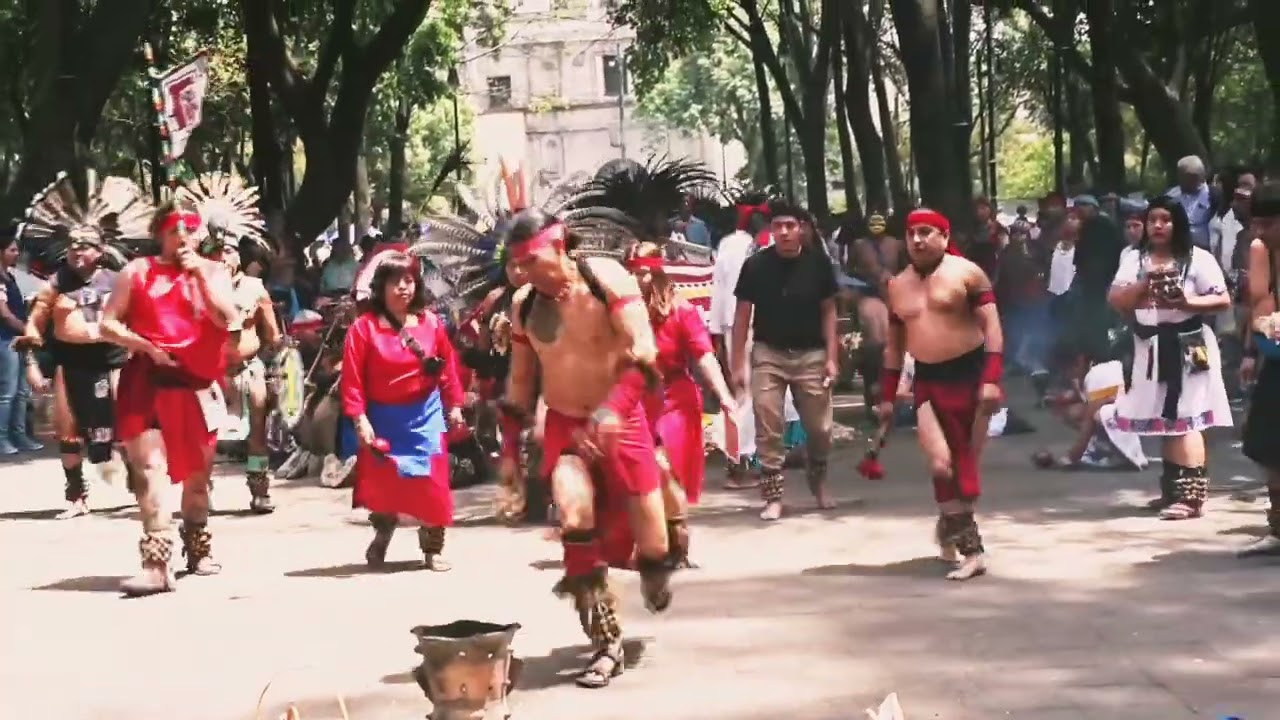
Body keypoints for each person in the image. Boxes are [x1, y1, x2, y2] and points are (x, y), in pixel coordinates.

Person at [498, 206, 677, 688]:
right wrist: (510, 456)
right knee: (574, 518)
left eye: (531, 260)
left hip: (624, 418)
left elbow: (645, 352)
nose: (522, 272)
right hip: (565, 427)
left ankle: (659, 565)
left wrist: (614, 409)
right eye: (516, 264)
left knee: (655, 548)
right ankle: (605, 642)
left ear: (559, 246)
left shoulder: (608, 280)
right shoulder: (523, 306)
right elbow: (518, 386)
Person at [101, 199, 237, 596]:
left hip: (196, 387)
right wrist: (142, 344)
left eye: (189, 228)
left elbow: (228, 319)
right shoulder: (136, 272)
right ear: (160, 231)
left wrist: (201, 279)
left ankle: (198, 546)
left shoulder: (214, 271)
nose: (182, 236)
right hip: (147, 381)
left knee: (197, 480)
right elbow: (108, 323)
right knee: (149, 470)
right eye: (174, 228)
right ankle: (157, 563)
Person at [15, 173, 153, 515]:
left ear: (100, 250)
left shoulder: (119, 279)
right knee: (68, 430)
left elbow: (141, 316)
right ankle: (76, 496)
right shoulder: (56, 282)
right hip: (71, 364)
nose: (78, 251)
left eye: (85, 245)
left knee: (127, 427)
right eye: (73, 245)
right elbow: (38, 317)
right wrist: (31, 350)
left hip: (115, 360)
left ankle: (140, 486)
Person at [878, 208, 1004, 581]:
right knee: (940, 465)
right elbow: (894, 345)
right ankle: (972, 550)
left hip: (973, 375)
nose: (917, 240)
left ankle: (951, 521)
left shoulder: (968, 274)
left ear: (944, 237)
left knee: (965, 469)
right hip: (928, 381)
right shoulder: (897, 285)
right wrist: (888, 394)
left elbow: (993, 328)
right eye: (912, 233)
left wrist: (993, 379)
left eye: (926, 232)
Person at [1107, 196, 1232, 520]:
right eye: (1153, 220)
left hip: (1189, 345)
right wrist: (1146, 282)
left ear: (1178, 224)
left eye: (1166, 219)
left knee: (1187, 417)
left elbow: (1223, 300)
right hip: (1149, 346)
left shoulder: (1198, 258)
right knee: (1166, 418)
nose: (1158, 225)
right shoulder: (1134, 258)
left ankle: (1192, 498)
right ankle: (1172, 490)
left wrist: (1186, 302)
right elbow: (1116, 299)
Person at [341, 252, 465, 571]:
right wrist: (360, 418)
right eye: (395, 282)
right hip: (383, 418)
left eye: (408, 280)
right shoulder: (363, 329)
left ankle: (432, 549)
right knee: (385, 484)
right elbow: (353, 379)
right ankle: (383, 534)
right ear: (381, 287)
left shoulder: (432, 323)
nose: (403, 288)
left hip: (426, 414)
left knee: (434, 481)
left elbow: (448, 368)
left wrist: (455, 406)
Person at [625, 241, 735, 566]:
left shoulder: (681, 310)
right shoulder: (621, 310)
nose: (636, 279)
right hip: (634, 398)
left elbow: (703, 355)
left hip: (675, 396)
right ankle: (652, 540)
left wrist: (725, 396)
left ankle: (678, 541)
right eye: (631, 273)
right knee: (638, 471)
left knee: (665, 466)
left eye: (643, 273)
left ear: (656, 270)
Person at [730, 198, 839, 521]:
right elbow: (741, 316)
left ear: (801, 229)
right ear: (771, 230)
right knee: (768, 422)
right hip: (768, 353)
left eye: (791, 226)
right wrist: (738, 363)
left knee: (820, 428)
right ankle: (773, 496)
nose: (785, 232)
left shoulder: (818, 264)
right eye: (778, 226)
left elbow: (830, 312)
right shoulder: (756, 266)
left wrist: (833, 357)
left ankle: (817, 479)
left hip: (811, 354)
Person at [182, 173, 284, 514]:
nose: (223, 257)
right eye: (216, 251)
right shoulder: (196, 288)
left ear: (239, 255)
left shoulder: (255, 288)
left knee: (257, 429)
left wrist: (281, 366)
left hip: (246, 370)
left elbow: (273, 337)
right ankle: (202, 489)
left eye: (229, 251)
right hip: (207, 373)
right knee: (204, 438)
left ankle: (259, 489)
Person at [708, 191, 771, 489]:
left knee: (749, 394)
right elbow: (721, 289)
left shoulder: (732, 245)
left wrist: (717, 330)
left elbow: (718, 290)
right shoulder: (754, 245)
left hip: (745, 326)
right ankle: (740, 463)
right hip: (750, 326)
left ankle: (749, 461)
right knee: (747, 394)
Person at [1238, 181, 1280, 556]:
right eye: (1257, 224)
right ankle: (1279, 527)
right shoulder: (1262, 250)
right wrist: (1251, 351)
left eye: (1268, 224)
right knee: (1267, 442)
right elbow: (1261, 306)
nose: (1260, 232)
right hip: (1277, 355)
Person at [846, 212, 903, 413]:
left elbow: (906, 270)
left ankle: (894, 396)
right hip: (868, 296)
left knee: (894, 345)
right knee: (875, 343)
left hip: (894, 298)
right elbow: (849, 273)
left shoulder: (896, 245)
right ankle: (872, 396)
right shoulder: (859, 246)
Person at [0, 233, 41, 456]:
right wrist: (28, 330)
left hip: (19, 340)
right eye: (12, 250)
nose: (16, 254)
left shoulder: (10, 277)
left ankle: (20, 434)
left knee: (22, 392)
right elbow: (5, 315)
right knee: (7, 392)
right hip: (5, 339)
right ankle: (2, 437)